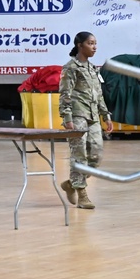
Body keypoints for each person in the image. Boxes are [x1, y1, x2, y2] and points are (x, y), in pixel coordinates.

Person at [59, 31, 112, 210]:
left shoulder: (92, 68)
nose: (94, 47)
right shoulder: (71, 68)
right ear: (79, 45)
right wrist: (67, 117)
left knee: (96, 156)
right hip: (77, 115)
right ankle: (82, 195)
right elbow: (65, 94)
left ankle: (71, 183)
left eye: (95, 43)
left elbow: (99, 94)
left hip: (93, 116)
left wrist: (106, 115)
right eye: (90, 43)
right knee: (79, 155)